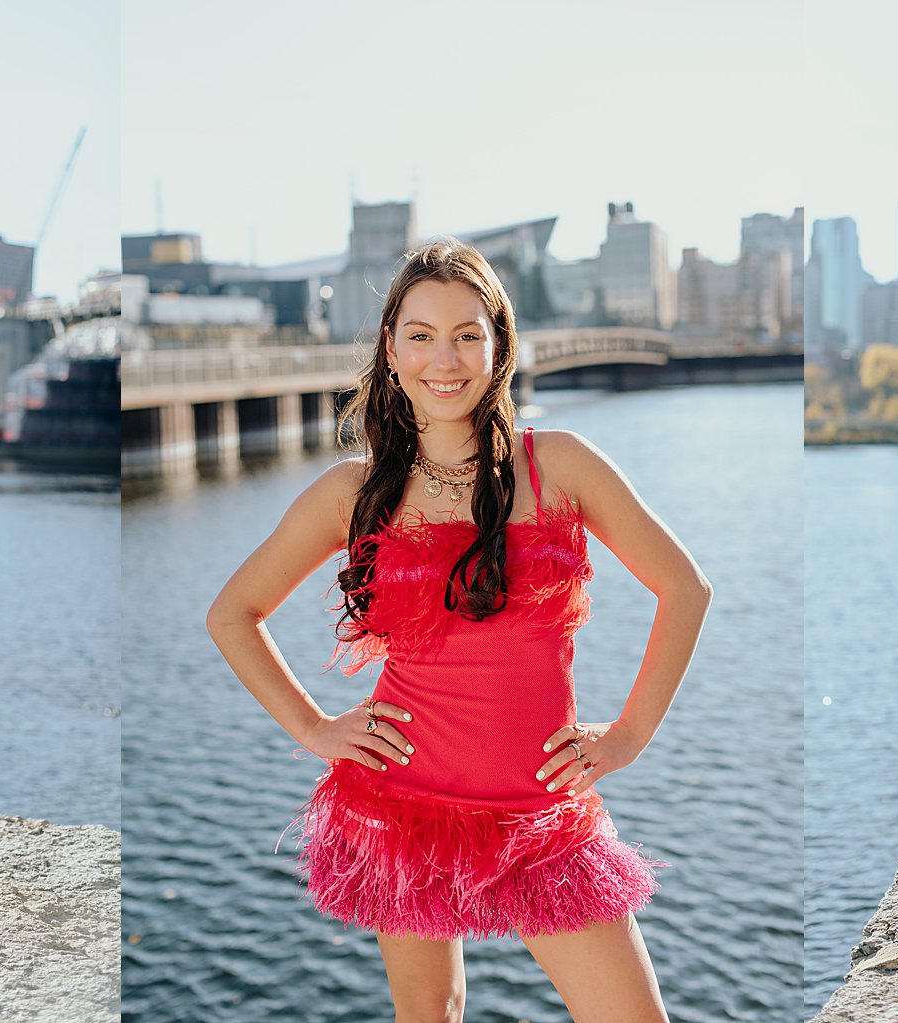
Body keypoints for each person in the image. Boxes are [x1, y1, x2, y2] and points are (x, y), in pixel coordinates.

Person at [207, 239, 710, 1021]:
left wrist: (629, 735)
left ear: (499, 345)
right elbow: (232, 614)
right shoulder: (354, 493)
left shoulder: (562, 465)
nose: (445, 358)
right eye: (421, 334)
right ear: (390, 347)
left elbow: (685, 587)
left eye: (467, 334)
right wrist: (313, 726)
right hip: (400, 801)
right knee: (432, 1011)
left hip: (545, 810)